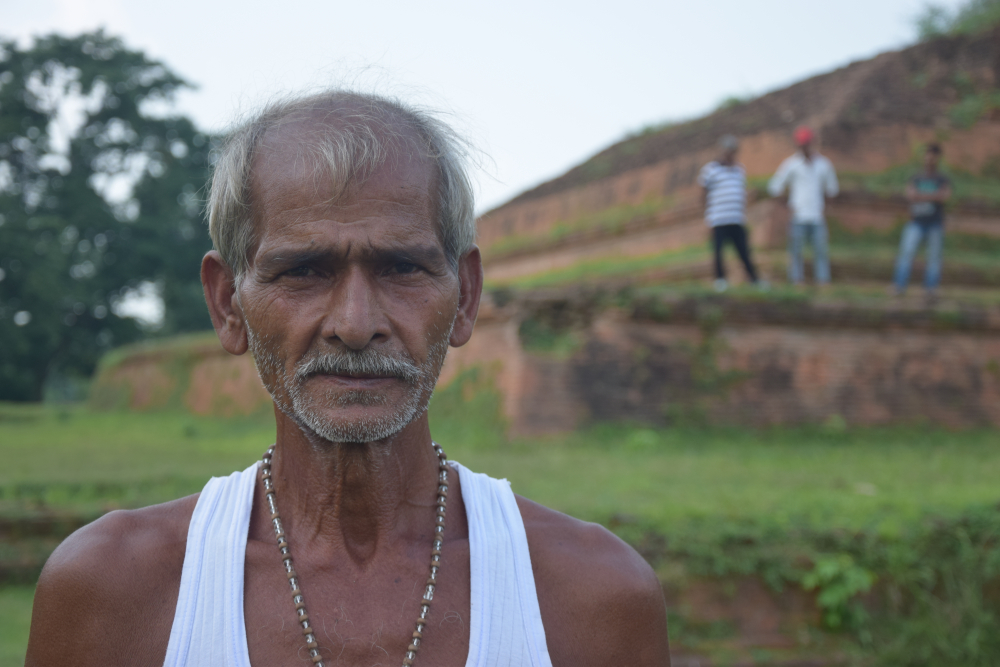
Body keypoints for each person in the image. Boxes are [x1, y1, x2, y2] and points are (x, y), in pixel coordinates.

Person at [25, 90, 671, 667]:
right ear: (228, 304)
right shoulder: (112, 593)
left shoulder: (596, 598)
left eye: (402, 268)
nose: (355, 324)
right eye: (303, 270)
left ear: (466, 297)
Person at [768, 126, 839, 286]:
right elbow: (775, 187)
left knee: (820, 251)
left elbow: (832, 189)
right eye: (801, 144)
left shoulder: (823, 164)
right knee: (796, 251)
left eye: (806, 143)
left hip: (817, 215)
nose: (804, 147)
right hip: (798, 215)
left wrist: (826, 207)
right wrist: (786, 205)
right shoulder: (791, 165)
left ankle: (822, 280)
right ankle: (797, 280)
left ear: (811, 143)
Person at [698, 134, 762, 292]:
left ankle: (753, 279)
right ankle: (720, 280)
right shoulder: (710, 170)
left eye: (733, 150)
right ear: (722, 150)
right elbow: (703, 194)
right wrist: (707, 216)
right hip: (718, 218)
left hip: (736, 218)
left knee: (744, 251)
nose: (730, 153)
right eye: (728, 150)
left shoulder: (739, 170)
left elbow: (740, 192)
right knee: (718, 252)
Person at [892, 143, 951, 302]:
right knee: (906, 254)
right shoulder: (916, 177)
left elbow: (944, 197)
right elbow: (911, 195)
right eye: (927, 154)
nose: (929, 158)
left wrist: (921, 195)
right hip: (916, 222)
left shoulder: (942, 178)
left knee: (933, 259)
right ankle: (899, 286)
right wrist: (933, 195)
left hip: (935, 224)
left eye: (933, 155)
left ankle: (930, 290)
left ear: (937, 158)